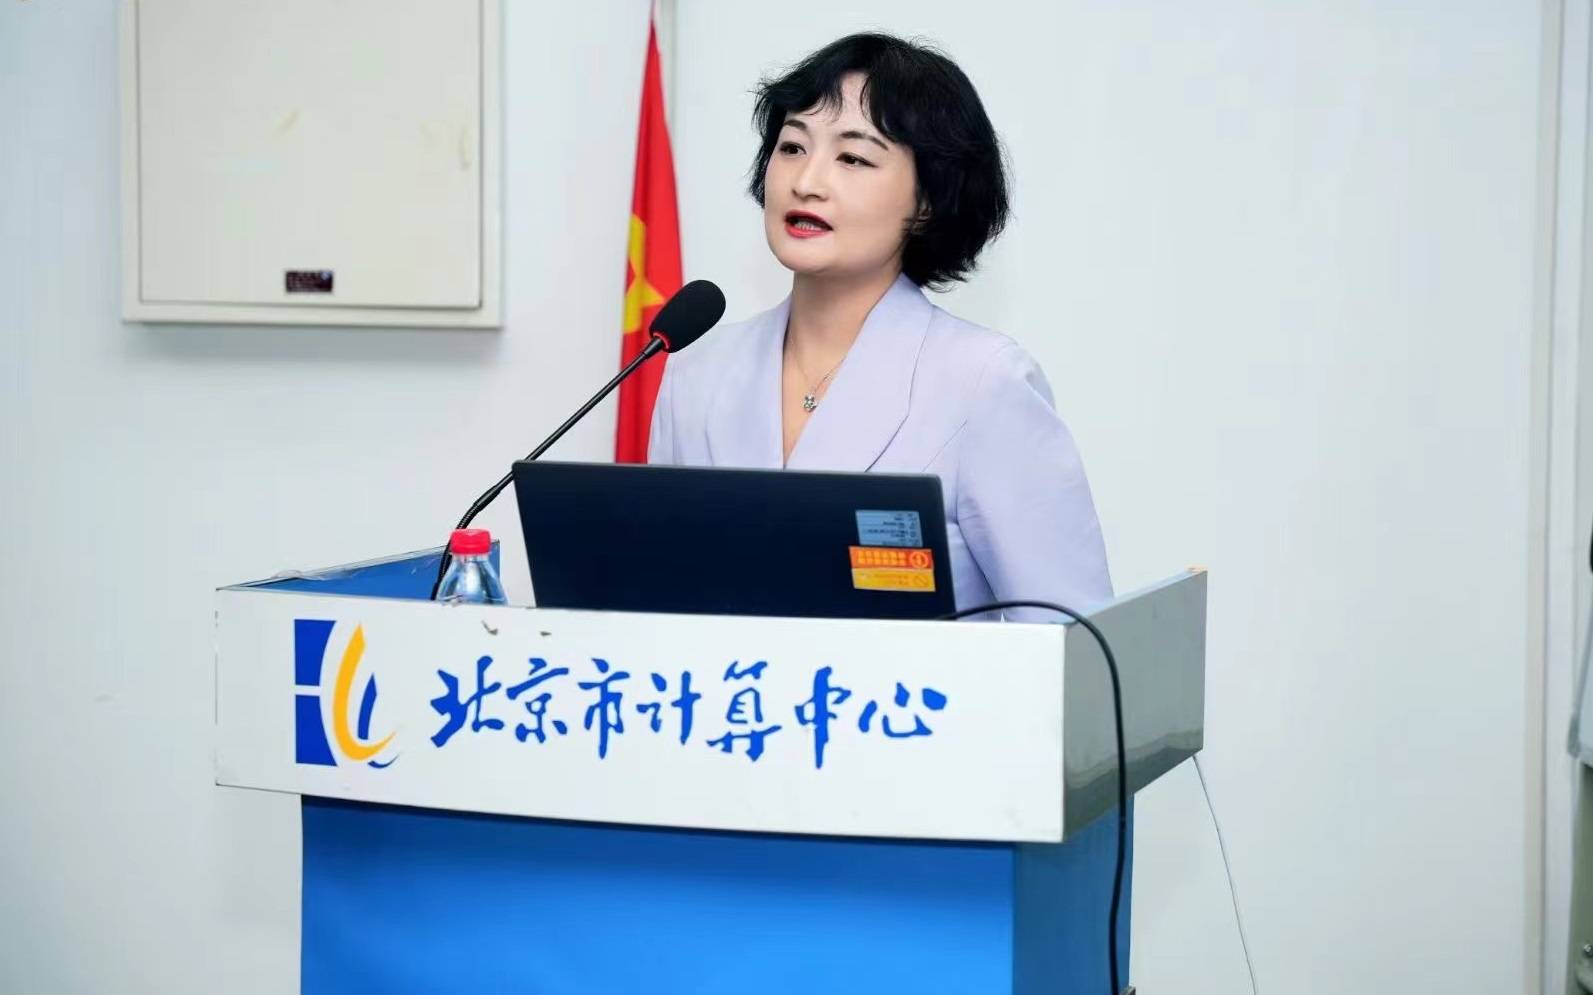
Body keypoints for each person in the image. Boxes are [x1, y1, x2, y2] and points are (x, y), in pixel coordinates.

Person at [649, 32, 1111, 615]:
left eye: (853, 158)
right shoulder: (696, 374)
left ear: (927, 201)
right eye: (792, 147)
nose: (806, 181)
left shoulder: (983, 383)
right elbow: (660, 604)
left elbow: (1073, 636)